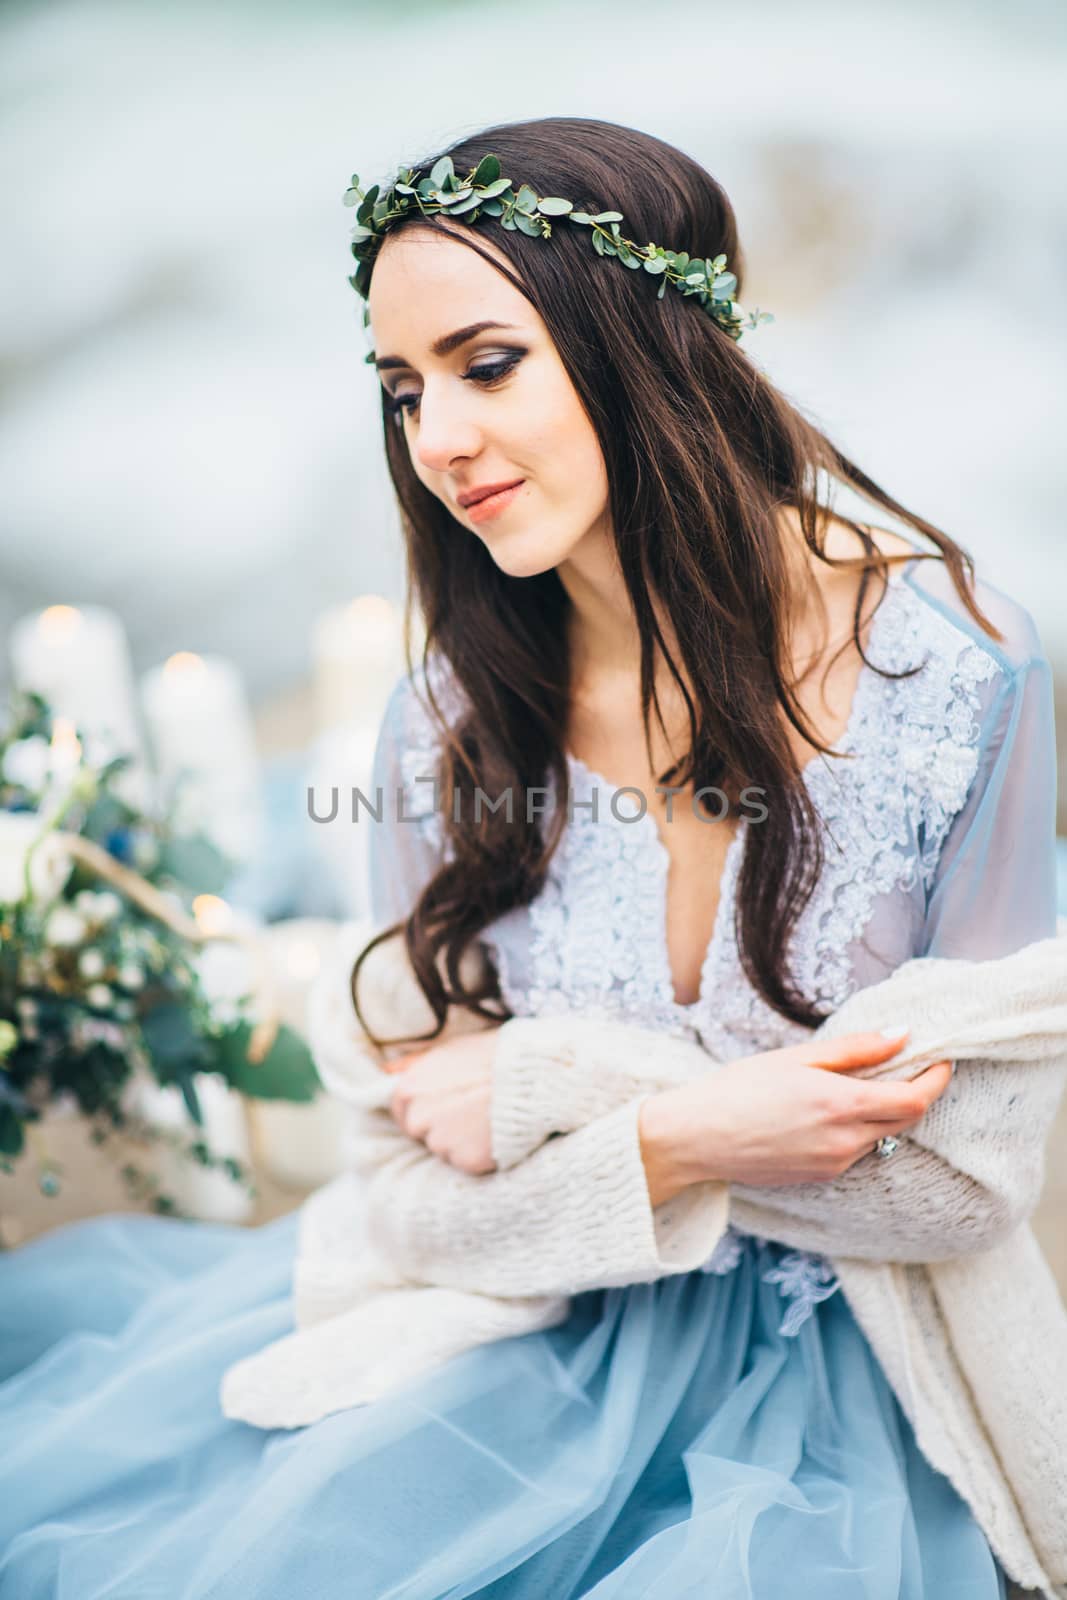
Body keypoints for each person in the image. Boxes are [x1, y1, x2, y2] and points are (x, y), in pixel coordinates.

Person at [0, 116, 1059, 1599]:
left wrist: (537, 1100)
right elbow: (406, 1203)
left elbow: (962, 1186)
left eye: (485, 365)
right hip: (505, 1348)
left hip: (851, 1396)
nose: (435, 441)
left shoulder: (964, 679)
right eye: (402, 389)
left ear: (650, 344)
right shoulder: (447, 728)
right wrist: (692, 1137)